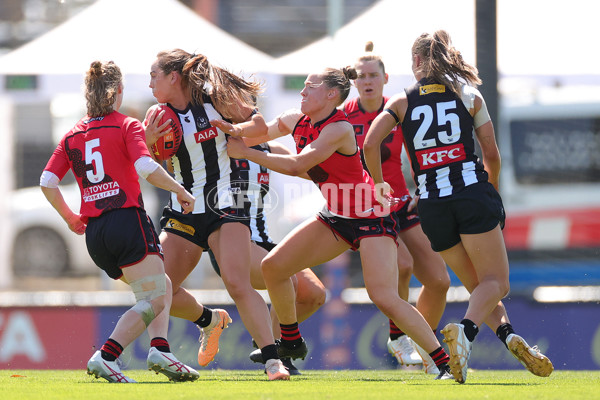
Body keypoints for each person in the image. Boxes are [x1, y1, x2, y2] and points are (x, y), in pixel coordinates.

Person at [215, 66, 457, 381]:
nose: (302, 92)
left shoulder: (339, 128)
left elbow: (298, 164)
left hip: (371, 216)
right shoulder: (296, 119)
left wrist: (246, 151)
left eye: (309, 86)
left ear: (331, 94)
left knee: (383, 296)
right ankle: (290, 340)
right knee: (274, 267)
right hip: (337, 217)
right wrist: (240, 128)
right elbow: (264, 130)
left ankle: (442, 363)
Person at [363, 30, 554, 384]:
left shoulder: (401, 102)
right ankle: (465, 334)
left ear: (418, 62)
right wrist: (490, 194)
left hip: (432, 207)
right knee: (497, 282)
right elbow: (492, 156)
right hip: (470, 195)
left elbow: (371, 141)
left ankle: (506, 338)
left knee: (479, 285)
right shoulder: (468, 94)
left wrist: (378, 184)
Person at [40, 60, 198, 383]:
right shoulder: (126, 125)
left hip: (96, 235)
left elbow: (47, 180)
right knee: (153, 298)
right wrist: (179, 189)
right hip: (127, 222)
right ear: (119, 92)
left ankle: (160, 348)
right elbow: (143, 166)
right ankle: (107, 355)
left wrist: (71, 218)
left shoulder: (73, 134)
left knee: (162, 287)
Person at [144, 49, 289, 380]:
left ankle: (272, 361)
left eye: (155, 74)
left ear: (173, 77)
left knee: (237, 283)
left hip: (226, 203)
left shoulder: (215, 99)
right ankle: (209, 320)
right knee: (156, 285)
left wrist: (237, 131)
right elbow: (145, 164)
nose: (150, 81)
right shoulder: (156, 116)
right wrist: (150, 143)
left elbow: (258, 123)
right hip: (185, 208)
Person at [343, 42, 450, 374]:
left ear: (386, 78)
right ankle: (398, 336)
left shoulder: (399, 108)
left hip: (401, 202)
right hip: (367, 208)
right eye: (361, 76)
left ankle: (421, 343)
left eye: (373, 75)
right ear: (354, 82)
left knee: (439, 281)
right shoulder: (345, 115)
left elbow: (420, 150)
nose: (367, 81)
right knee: (403, 265)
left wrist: (422, 187)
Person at [207, 141, 327, 375]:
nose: (252, 110)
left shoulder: (270, 149)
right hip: (231, 239)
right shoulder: (219, 142)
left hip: (263, 238)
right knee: (286, 279)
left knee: (314, 295)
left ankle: (270, 339)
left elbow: (314, 172)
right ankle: (275, 352)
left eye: (254, 104)